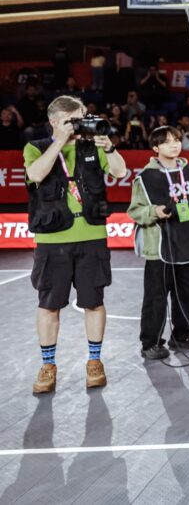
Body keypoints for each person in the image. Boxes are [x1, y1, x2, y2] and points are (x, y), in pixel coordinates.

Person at [24, 95, 128, 393]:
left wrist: (110, 147)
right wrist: (60, 141)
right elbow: (35, 174)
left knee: (93, 302)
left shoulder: (92, 146)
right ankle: (48, 366)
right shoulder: (36, 147)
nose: (79, 125)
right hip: (52, 238)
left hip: (92, 235)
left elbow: (120, 172)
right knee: (49, 305)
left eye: (82, 119)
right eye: (73, 120)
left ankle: (94, 361)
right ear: (54, 121)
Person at [127, 126, 189, 359]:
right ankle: (151, 343)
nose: (174, 144)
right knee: (156, 298)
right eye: (167, 142)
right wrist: (154, 211)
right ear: (155, 147)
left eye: (176, 140)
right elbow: (135, 211)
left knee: (187, 294)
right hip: (161, 246)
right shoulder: (145, 177)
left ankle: (182, 335)